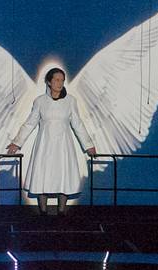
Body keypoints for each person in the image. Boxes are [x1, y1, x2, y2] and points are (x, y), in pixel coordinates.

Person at [6, 66, 97, 215]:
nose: (60, 83)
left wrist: (89, 145)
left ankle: (61, 211)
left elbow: (78, 124)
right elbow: (30, 123)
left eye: (62, 80)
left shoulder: (70, 101)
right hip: (45, 145)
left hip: (64, 146)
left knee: (63, 175)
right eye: (57, 80)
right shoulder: (40, 101)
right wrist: (17, 142)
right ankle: (43, 212)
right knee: (43, 175)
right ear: (49, 82)